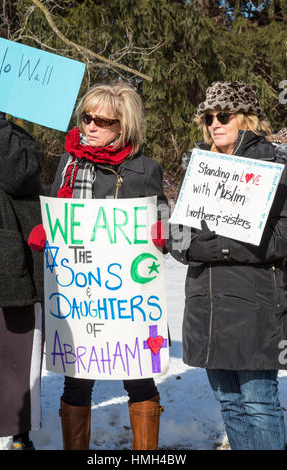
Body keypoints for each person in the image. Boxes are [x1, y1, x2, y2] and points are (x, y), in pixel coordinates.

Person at [28, 81, 168, 450]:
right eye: (86, 117)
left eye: (101, 121)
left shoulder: (144, 169)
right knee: (76, 380)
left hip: (128, 299)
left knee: (139, 378)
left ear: (123, 126)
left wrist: (162, 231)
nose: (89, 126)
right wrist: (47, 229)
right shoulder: (69, 163)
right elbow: (61, 209)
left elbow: (167, 224)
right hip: (81, 294)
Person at [166, 81, 287, 450]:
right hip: (206, 305)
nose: (214, 123)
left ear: (246, 118)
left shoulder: (275, 163)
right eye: (208, 117)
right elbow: (176, 236)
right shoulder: (200, 167)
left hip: (255, 305)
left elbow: (282, 236)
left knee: (259, 403)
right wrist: (192, 248)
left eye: (224, 115)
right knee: (230, 405)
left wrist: (219, 248)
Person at [0, 92, 44, 449]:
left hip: (2, 277)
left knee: (9, 375)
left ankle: (9, 439)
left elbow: (19, 172)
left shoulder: (11, 136)